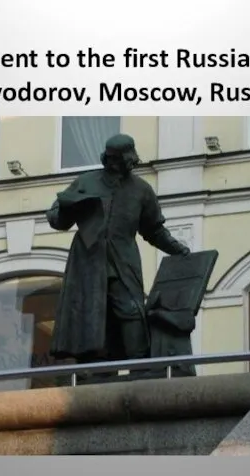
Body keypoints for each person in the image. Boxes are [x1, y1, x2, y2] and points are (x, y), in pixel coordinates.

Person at [45, 133, 190, 375]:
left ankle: (140, 367)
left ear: (130, 159)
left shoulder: (142, 191)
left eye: (119, 160)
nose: (113, 165)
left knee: (131, 309)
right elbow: (57, 218)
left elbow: (153, 230)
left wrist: (178, 249)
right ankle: (94, 370)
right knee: (92, 314)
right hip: (88, 261)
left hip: (123, 259)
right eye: (110, 159)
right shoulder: (86, 181)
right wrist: (63, 210)